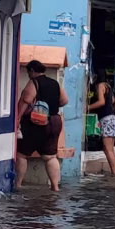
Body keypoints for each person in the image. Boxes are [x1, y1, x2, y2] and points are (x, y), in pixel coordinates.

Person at [16, 60, 69, 191]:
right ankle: (55, 186)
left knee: (21, 154)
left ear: (32, 71)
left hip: (37, 122)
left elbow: (25, 100)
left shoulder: (34, 82)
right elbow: (64, 100)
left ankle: (17, 184)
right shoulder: (55, 83)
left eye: (28, 72)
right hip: (55, 121)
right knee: (50, 156)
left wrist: (17, 119)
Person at [89, 70, 115, 177]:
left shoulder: (100, 86)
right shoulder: (108, 86)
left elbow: (101, 102)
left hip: (106, 119)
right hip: (113, 119)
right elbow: (112, 100)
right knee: (109, 149)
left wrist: (87, 107)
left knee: (108, 149)